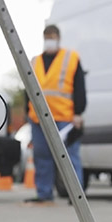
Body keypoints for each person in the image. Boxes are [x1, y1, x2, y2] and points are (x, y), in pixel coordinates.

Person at [24, 24, 86, 205]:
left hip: (64, 117)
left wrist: (78, 113)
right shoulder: (34, 61)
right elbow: (27, 89)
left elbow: (79, 87)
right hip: (38, 118)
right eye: (47, 37)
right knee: (41, 156)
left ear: (58, 38)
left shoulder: (71, 58)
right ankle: (44, 193)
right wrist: (28, 113)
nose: (49, 40)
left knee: (70, 157)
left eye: (52, 36)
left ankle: (77, 196)